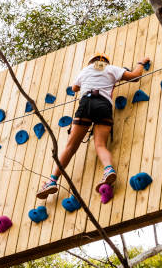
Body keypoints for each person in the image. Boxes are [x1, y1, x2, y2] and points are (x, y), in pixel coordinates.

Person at [37, 52, 150, 199]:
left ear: (91, 62)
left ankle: (52, 181)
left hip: (87, 102)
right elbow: (135, 76)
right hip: (104, 105)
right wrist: (141, 62)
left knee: (71, 147)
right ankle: (108, 169)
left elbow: (74, 88)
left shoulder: (86, 70)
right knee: (100, 145)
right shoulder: (112, 69)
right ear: (106, 62)